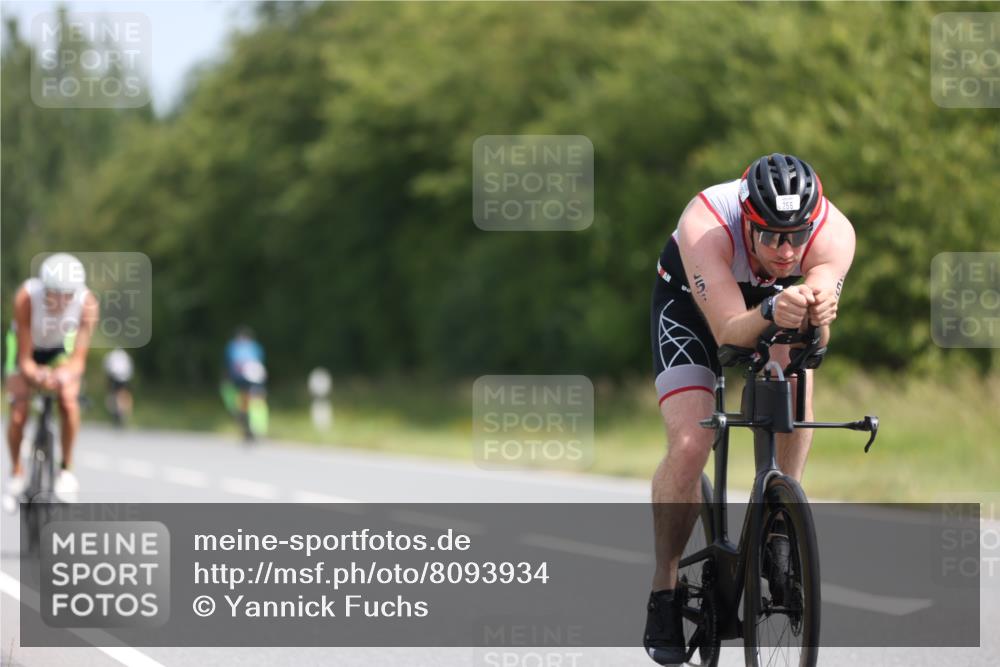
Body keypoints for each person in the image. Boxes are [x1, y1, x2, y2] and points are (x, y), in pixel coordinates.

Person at [643, 154, 855, 664]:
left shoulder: (835, 233)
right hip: (696, 308)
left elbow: (817, 337)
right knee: (693, 442)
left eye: (797, 236)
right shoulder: (706, 225)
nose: (787, 252)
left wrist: (817, 317)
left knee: (796, 371)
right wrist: (766, 308)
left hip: (771, 307)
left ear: (814, 222)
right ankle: (665, 586)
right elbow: (728, 333)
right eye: (772, 237)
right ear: (747, 220)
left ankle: (780, 517)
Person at [4, 253, 100, 507]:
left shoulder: (87, 305)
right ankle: (16, 473)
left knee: (69, 402)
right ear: (43, 288)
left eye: (67, 295)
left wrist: (63, 374)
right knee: (18, 412)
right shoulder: (26, 298)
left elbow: (78, 360)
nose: (59, 301)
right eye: (53, 294)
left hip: (59, 350)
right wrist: (36, 374)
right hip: (28, 347)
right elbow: (24, 359)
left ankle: (66, 471)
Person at [103, 347, 134, 426]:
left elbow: (107, 367)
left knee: (113, 394)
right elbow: (130, 369)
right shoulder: (125, 355)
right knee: (124, 394)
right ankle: (123, 412)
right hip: (125, 378)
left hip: (114, 377)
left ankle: (117, 412)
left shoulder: (111, 355)